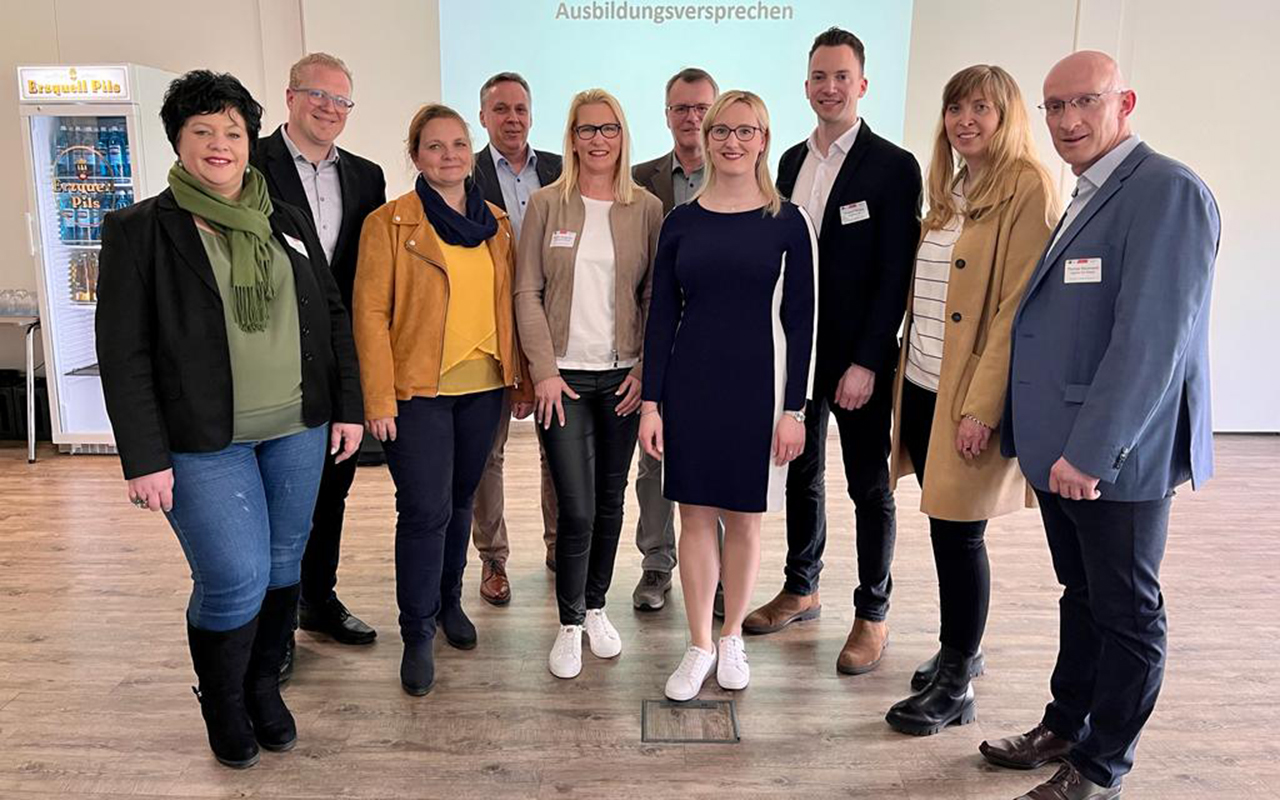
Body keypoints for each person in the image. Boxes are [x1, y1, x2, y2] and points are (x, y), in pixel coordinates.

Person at [95, 70, 364, 768]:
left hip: (298, 427)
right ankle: (222, 699)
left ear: (250, 141)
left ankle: (261, 688)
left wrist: (347, 407)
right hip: (201, 441)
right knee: (235, 576)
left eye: (232, 132)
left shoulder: (281, 214)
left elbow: (330, 315)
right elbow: (122, 353)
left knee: (283, 564)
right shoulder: (139, 230)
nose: (220, 144)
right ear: (178, 142)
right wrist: (144, 456)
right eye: (202, 131)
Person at [980, 51, 1219, 800]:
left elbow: (1152, 340)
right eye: (1054, 107)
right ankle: (1066, 725)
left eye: (1085, 102)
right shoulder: (1089, 190)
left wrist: (1092, 452)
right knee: (1080, 595)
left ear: (1126, 103)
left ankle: (1101, 765)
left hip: (1115, 455)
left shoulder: (1166, 191)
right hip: (1065, 451)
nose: (1068, 120)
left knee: (1126, 611)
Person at [881, 65, 1056, 736]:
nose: (966, 121)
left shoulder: (1026, 187)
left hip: (965, 397)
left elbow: (1018, 310)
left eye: (981, 108)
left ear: (1008, 114)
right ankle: (962, 646)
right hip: (923, 383)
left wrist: (982, 407)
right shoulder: (954, 186)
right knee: (945, 527)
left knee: (959, 535)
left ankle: (956, 683)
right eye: (956, 109)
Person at [746, 27, 922, 679]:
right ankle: (802, 588)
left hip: (857, 359)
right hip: (799, 354)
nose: (829, 87)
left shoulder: (893, 166)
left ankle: (873, 615)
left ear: (863, 84)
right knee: (801, 473)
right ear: (806, 85)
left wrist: (868, 361)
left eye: (841, 76)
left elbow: (894, 271)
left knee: (869, 487)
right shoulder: (790, 160)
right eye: (819, 77)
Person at [640, 90, 818, 702]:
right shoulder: (680, 221)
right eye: (722, 131)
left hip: (759, 392)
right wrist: (652, 404)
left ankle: (733, 634)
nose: (732, 142)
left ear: (763, 139)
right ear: (706, 138)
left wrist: (795, 410)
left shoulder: (789, 221)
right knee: (693, 518)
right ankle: (698, 643)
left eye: (746, 131)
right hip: (691, 387)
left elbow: (803, 322)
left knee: (745, 519)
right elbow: (661, 317)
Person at [353, 103, 531, 697]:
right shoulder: (390, 224)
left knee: (460, 503)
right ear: (416, 155)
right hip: (419, 393)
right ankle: (416, 632)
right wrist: (377, 398)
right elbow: (370, 317)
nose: (449, 155)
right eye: (435, 146)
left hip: (483, 389)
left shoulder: (497, 223)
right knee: (424, 511)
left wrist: (520, 378)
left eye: (458, 144)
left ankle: (451, 604)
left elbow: (510, 305)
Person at [514, 88, 664, 680]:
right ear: (570, 137)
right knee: (575, 508)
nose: (597, 139)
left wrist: (645, 369)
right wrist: (543, 371)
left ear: (622, 136)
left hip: (623, 377)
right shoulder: (547, 205)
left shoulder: (646, 207)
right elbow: (526, 291)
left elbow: (656, 297)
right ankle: (569, 620)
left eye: (608, 128)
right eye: (585, 129)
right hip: (565, 382)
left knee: (609, 501)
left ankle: (597, 607)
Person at [252, 51, 386, 677]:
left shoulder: (367, 175)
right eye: (318, 95)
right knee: (275, 499)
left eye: (341, 100)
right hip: (269, 354)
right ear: (289, 96)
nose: (330, 108)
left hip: (336, 352)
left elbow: (363, 278)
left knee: (333, 485)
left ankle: (317, 599)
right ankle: (270, 627)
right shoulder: (249, 162)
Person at [629, 66, 723, 614]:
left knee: (719, 459)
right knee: (655, 461)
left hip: (719, 343)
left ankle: (714, 576)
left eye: (701, 108)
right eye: (681, 109)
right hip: (658, 338)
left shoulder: (740, 175)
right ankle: (656, 565)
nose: (692, 118)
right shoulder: (637, 180)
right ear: (667, 116)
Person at [469, 72, 564, 606]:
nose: (512, 119)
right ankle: (493, 560)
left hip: (556, 331)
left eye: (520, 109)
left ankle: (558, 549)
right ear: (483, 117)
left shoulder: (560, 170)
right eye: (500, 109)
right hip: (490, 332)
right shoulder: (467, 173)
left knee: (558, 451)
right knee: (490, 455)